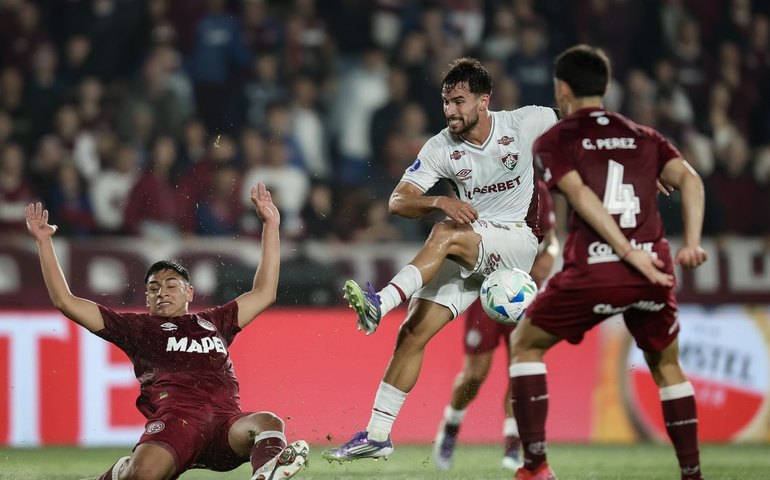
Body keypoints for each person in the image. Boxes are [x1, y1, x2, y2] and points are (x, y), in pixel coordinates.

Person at [322, 57, 558, 462]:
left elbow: (585, 119)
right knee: (412, 333)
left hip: (517, 241)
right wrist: (437, 199)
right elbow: (398, 200)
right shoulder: (440, 147)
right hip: (470, 244)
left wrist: (639, 160)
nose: (450, 110)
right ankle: (378, 435)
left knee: (444, 232)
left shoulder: (524, 123)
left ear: (484, 101)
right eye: (446, 102)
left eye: (459, 101)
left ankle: (382, 302)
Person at [508, 45, 707, 480]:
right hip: (654, 270)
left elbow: (580, 195)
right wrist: (690, 242)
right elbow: (690, 180)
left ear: (562, 88)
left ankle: (536, 467)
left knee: (525, 343)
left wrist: (624, 249)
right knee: (667, 366)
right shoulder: (643, 135)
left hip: (596, 270)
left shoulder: (555, 139)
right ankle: (692, 475)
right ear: (606, 86)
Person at [25, 182, 308, 480]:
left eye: (171, 285)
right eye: (153, 288)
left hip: (226, 426)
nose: (162, 292)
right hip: (176, 425)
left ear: (189, 293)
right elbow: (65, 301)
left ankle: (265, 473)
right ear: (146, 298)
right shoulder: (137, 328)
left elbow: (264, 293)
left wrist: (271, 224)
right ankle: (120, 472)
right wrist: (44, 242)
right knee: (141, 475)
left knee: (268, 422)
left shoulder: (215, 321)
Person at [433, 179, 558, 472]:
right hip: (486, 288)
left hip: (525, 290)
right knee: (475, 374)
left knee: (520, 368)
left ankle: (513, 445)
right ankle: (451, 426)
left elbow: (551, 238)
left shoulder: (537, 190)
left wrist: (549, 257)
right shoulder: (482, 181)